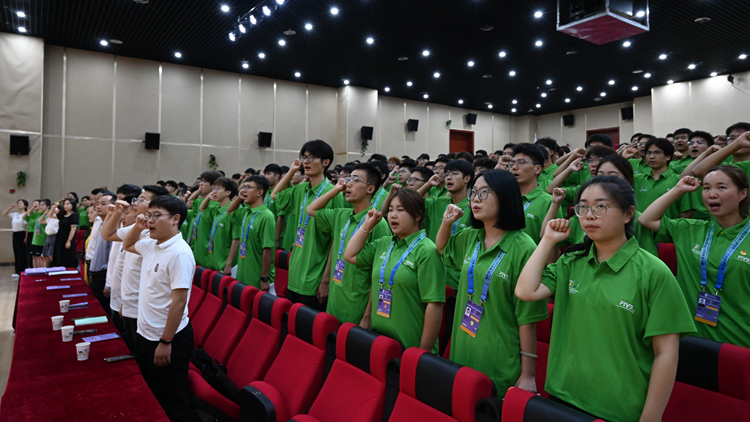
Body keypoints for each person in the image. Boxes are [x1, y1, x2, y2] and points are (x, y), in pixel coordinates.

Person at [516, 175, 696, 422]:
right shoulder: (571, 262)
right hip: (563, 393)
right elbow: (525, 291)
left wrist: (651, 418)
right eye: (582, 207)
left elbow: (665, 353)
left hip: (617, 406)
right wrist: (547, 241)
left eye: (601, 206)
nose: (589, 216)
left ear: (628, 214)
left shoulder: (653, 272)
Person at [435, 169, 547, 396]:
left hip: (498, 356)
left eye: (484, 192)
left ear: (505, 196)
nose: (475, 199)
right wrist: (447, 223)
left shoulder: (525, 248)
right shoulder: (471, 236)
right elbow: (442, 247)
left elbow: (527, 317)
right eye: (473, 192)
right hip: (463, 346)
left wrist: (528, 374)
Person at [639, 166, 750, 348]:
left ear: (742, 194)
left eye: (721, 187)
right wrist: (678, 189)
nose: (712, 194)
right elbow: (646, 219)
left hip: (739, 342)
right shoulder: (690, 229)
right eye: (706, 188)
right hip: (692, 339)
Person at [344, 189, 445, 352]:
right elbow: (349, 255)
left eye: (400, 210)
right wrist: (367, 225)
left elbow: (434, 305)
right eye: (390, 210)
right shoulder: (384, 243)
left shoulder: (427, 250)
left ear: (418, 216)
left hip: (409, 345)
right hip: (379, 339)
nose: (393, 215)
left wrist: (422, 353)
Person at [123, 195, 195, 422]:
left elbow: (179, 302)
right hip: (146, 332)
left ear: (175, 219)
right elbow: (127, 245)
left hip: (168, 337)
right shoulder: (153, 245)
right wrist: (138, 226)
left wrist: (165, 342)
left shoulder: (179, 253)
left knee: (172, 399)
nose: (150, 220)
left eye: (156, 215)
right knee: (152, 392)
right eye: (149, 215)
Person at [307, 163, 391, 325]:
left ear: (370, 189)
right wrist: (336, 189)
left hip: (357, 305)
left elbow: (380, 272)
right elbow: (311, 209)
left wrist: (368, 315)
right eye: (348, 179)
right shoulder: (342, 215)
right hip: (335, 299)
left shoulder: (377, 223)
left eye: (356, 180)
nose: (349, 184)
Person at [272, 139, 344, 310]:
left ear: (325, 162)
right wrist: (292, 170)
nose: (305, 161)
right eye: (303, 157)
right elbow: (275, 195)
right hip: (295, 273)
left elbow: (337, 240)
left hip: (315, 277)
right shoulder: (301, 189)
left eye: (311, 157)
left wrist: (326, 281)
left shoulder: (333, 193)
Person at [542, 155, 658, 256]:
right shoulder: (581, 219)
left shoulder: (636, 220)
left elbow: (648, 258)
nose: (604, 181)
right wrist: (555, 203)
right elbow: (544, 236)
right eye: (600, 175)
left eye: (612, 176)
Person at [101, 185, 169, 352]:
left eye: (142, 200)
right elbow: (107, 234)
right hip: (128, 301)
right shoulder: (138, 228)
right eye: (136, 199)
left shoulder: (156, 236)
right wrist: (117, 212)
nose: (136, 203)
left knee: (140, 353)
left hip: (141, 307)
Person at [226, 176, 276, 289]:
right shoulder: (246, 212)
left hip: (257, 275)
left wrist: (264, 277)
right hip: (243, 272)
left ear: (259, 192)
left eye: (248, 187)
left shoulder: (266, 216)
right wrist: (239, 198)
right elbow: (229, 211)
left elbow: (267, 249)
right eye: (243, 187)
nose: (244, 190)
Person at [511, 143, 560, 244]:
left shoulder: (549, 202)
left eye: (521, 162)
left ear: (537, 169)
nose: (514, 167)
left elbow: (553, 245)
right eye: (513, 163)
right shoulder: (506, 198)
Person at [634, 138, 690, 218]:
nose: (651, 156)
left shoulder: (679, 181)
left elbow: (686, 212)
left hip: (666, 226)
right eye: (649, 153)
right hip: (640, 226)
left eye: (657, 152)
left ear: (668, 156)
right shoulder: (637, 179)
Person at [197, 177, 239, 271]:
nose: (214, 192)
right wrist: (208, 197)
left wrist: (228, 264)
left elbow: (236, 239)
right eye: (213, 189)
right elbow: (202, 208)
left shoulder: (233, 211)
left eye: (218, 188)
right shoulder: (217, 210)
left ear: (228, 192)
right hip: (214, 260)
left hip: (225, 263)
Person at [186, 170, 223, 267]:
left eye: (204, 181)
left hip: (208, 250)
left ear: (214, 185)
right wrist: (200, 189)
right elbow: (190, 200)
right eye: (201, 181)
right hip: (198, 247)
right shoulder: (201, 201)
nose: (201, 184)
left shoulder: (216, 205)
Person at [89, 191, 116, 311]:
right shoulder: (101, 223)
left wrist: (107, 284)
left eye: (103, 204)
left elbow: (112, 257)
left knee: (104, 311)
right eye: (98, 204)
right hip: (96, 273)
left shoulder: (113, 227)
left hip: (104, 275)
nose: (98, 206)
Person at [3, 199, 28, 277]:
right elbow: (4, 213)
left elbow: (27, 227)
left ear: (25, 206)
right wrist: (10, 208)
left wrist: (26, 237)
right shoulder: (14, 214)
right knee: (16, 252)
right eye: (18, 203)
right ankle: (17, 271)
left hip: (22, 234)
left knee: (22, 253)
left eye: (20, 203)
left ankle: (22, 270)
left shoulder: (26, 214)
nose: (18, 204)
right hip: (15, 234)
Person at [55, 198, 79, 268]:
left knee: (67, 256)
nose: (65, 206)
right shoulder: (62, 215)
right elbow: (50, 214)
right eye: (64, 204)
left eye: (68, 204)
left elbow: (73, 229)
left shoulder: (74, 215)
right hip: (60, 237)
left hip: (68, 237)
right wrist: (56, 205)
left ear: (73, 205)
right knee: (59, 255)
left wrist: (69, 241)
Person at [30, 199, 50, 268]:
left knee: (43, 257)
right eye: (40, 205)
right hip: (36, 238)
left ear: (48, 206)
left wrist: (46, 212)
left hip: (43, 238)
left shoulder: (49, 215)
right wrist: (33, 207)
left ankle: (42, 271)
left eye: (43, 205)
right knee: (35, 256)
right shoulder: (38, 214)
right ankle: (35, 271)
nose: (41, 206)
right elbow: (28, 213)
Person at [39, 203, 58, 268]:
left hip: (54, 237)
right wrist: (45, 213)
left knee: (51, 254)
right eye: (52, 208)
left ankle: (55, 267)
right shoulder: (50, 218)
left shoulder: (58, 218)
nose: (53, 209)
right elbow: (40, 221)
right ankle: (46, 270)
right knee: (45, 256)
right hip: (48, 237)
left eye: (55, 208)